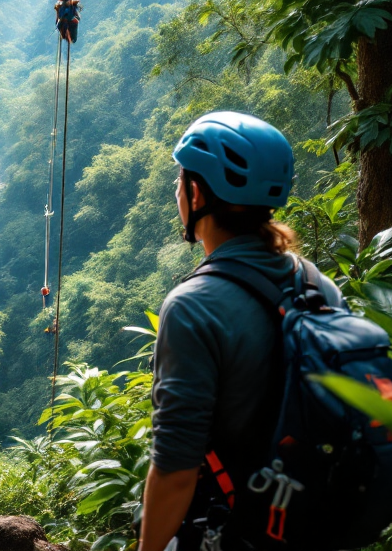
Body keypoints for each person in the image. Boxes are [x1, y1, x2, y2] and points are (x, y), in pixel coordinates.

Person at [139, 112, 344, 551]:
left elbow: (176, 469)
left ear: (195, 193)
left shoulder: (192, 307)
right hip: (310, 521)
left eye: (180, 182)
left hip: (235, 528)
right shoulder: (313, 282)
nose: (177, 190)